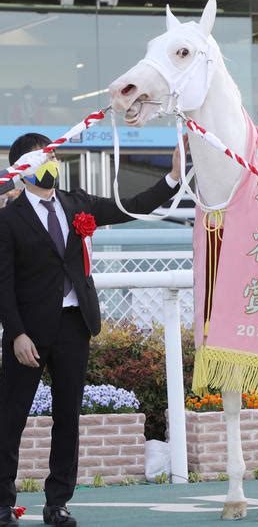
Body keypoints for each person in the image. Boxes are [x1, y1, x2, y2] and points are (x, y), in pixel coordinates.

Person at [0, 133, 182, 527]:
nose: (50, 165)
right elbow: (3, 282)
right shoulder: (9, 218)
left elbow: (129, 207)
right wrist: (16, 333)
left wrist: (171, 178)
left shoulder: (75, 203)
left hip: (73, 325)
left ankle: (57, 502)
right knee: (10, 416)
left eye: (52, 156)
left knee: (68, 417)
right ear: (22, 169)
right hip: (28, 333)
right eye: (40, 159)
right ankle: (2, 503)